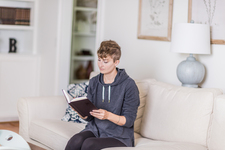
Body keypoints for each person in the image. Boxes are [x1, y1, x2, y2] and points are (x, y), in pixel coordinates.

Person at [65, 40, 140, 150]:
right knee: (75, 140)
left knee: (89, 144)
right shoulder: (94, 81)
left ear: (116, 62)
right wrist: (81, 112)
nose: (100, 65)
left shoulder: (129, 85)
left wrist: (107, 115)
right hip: (95, 129)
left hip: (119, 136)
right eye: (99, 60)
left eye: (105, 62)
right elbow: (90, 117)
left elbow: (128, 121)